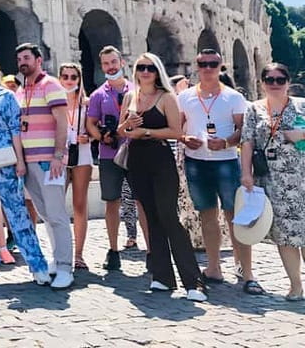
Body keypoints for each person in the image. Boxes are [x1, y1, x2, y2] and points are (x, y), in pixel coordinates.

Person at [117, 53, 207, 302]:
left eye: (150, 68)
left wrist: (144, 130)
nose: (145, 72)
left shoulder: (167, 97)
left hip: (160, 158)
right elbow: (120, 131)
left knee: (168, 216)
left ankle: (193, 281)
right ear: (135, 71)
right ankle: (162, 276)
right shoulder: (130, 96)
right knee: (150, 215)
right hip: (136, 160)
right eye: (141, 67)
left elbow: (176, 132)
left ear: (157, 72)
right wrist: (128, 125)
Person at [0, 54, 50, 284]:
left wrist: (20, 161)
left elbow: (16, 130)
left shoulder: (7, 97)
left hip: (4, 158)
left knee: (15, 211)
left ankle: (37, 264)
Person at [177, 49, 255, 291]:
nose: (208, 68)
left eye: (213, 63)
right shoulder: (185, 97)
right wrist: (184, 138)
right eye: (203, 63)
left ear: (221, 67)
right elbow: (177, 128)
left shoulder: (233, 97)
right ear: (197, 66)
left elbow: (244, 131)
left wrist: (225, 142)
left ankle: (245, 271)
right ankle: (213, 268)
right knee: (207, 216)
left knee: (235, 217)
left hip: (226, 161)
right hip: (196, 161)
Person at [240, 63, 305, 301]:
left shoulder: (301, 106)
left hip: (301, 177)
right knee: (284, 234)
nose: (275, 84)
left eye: (280, 79)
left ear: (288, 82)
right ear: (262, 83)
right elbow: (247, 142)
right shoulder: (255, 109)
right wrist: (245, 173)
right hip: (272, 179)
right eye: (270, 79)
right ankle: (295, 285)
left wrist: (302, 135)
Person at [15, 43, 75, 289]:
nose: (22, 62)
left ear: (38, 60)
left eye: (27, 57)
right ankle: (56, 260)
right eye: (19, 58)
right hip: (28, 162)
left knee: (58, 215)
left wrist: (58, 155)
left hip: (49, 160)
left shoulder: (50, 84)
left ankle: (65, 267)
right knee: (45, 215)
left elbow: (63, 121)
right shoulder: (21, 90)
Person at [86, 45, 148, 271]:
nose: (110, 67)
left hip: (136, 151)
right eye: (106, 63)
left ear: (122, 63)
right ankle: (113, 250)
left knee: (142, 201)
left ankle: (151, 251)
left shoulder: (138, 90)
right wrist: (101, 136)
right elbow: (90, 123)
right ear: (101, 66)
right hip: (109, 153)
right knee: (111, 201)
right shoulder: (97, 95)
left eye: (113, 62)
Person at [57, 62, 93, 272]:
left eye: (73, 77)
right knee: (57, 205)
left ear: (79, 80)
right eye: (66, 77)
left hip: (82, 154)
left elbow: (92, 128)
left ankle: (78, 254)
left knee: (80, 204)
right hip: (60, 156)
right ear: (60, 79)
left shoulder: (86, 103)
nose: (69, 81)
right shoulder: (55, 102)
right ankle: (62, 252)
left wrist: (87, 136)